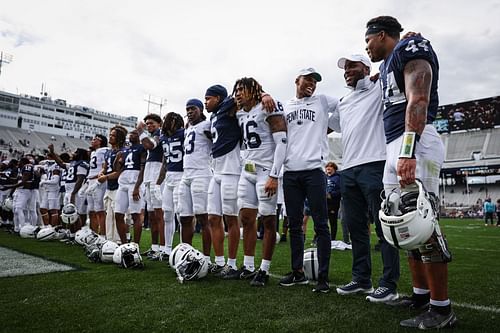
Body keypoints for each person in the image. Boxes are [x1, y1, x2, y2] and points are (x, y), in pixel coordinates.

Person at [365, 16, 456, 328]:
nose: (366, 47)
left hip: (415, 141)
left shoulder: (410, 47)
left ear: (382, 35)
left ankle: (441, 308)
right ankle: (420, 295)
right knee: (404, 225)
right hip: (397, 142)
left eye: (368, 40)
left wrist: (407, 151)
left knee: (424, 223)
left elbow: (418, 98)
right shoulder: (392, 59)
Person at [331, 54, 400, 303]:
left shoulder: (378, 86)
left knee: (384, 228)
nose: (347, 70)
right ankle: (361, 279)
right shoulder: (343, 100)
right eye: (345, 67)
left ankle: (389, 284)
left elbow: (393, 62)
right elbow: (329, 124)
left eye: (352, 65)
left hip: (374, 163)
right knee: (356, 227)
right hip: (348, 168)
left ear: (365, 67)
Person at [278, 68, 338, 293]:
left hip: (314, 170)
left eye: (315, 81)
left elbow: (345, 105)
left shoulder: (322, 101)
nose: (312, 84)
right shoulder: (285, 106)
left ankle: (323, 277)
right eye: (308, 80)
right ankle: (298, 272)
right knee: (294, 225)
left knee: (321, 224)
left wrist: (326, 128)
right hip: (291, 171)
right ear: (297, 80)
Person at [233, 77, 287, 286]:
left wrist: (274, 175)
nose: (238, 93)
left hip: (266, 171)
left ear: (254, 90)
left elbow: (281, 142)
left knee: (268, 220)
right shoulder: (239, 111)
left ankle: (264, 269)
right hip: (246, 171)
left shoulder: (268, 106)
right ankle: (247, 266)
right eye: (236, 90)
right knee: (246, 218)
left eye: (242, 89)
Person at [177, 99, 213, 262]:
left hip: (201, 173)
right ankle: (186, 254)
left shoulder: (207, 125)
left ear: (200, 109)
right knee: (184, 217)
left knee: (203, 217)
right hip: (186, 175)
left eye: (193, 108)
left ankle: (206, 257)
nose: (190, 112)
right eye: (187, 109)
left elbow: (216, 140)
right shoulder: (188, 128)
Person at [137, 113, 166, 260]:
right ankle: (155, 248)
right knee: (152, 216)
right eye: (147, 123)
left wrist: (140, 131)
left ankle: (163, 248)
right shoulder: (152, 135)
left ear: (159, 124)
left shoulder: (160, 134)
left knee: (159, 215)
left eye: (152, 123)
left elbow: (151, 145)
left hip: (156, 176)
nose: (149, 125)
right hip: (149, 176)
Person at [158, 112, 185, 257]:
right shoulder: (163, 138)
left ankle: (182, 249)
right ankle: (168, 248)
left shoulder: (183, 134)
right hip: (169, 176)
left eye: (166, 120)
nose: (164, 123)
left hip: (181, 175)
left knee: (181, 214)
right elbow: (164, 163)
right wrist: (158, 183)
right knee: (167, 213)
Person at [114, 129, 146, 244]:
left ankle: (135, 245)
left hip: (134, 182)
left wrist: (137, 187)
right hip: (123, 182)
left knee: (135, 215)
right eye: (130, 134)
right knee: (118, 214)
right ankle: (123, 243)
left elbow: (143, 168)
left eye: (134, 134)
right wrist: (117, 159)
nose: (131, 135)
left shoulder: (142, 148)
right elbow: (117, 169)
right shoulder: (125, 149)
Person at [99, 125, 128, 242]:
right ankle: (109, 240)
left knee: (119, 215)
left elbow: (119, 172)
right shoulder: (109, 152)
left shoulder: (123, 152)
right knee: (109, 215)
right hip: (110, 187)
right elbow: (105, 167)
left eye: (113, 136)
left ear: (120, 138)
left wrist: (105, 177)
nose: (110, 137)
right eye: (110, 135)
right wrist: (101, 173)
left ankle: (119, 241)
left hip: (119, 186)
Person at [86, 134, 109, 236]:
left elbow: (106, 165)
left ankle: (102, 235)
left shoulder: (104, 150)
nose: (93, 140)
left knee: (100, 210)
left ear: (101, 141)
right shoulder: (93, 152)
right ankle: (93, 234)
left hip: (98, 181)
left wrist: (99, 177)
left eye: (95, 139)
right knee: (91, 210)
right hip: (90, 180)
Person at [325, 162, 341, 241]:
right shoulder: (324, 177)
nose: (328, 169)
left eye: (330, 168)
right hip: (324, 202)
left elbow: (340, 190)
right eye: (327, 168)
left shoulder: (338, 178)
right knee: (322, 220)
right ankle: (319, 237)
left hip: (333, 202)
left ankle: (332, 238)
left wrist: (331, 195)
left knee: (332, 221)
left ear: (334, 169)